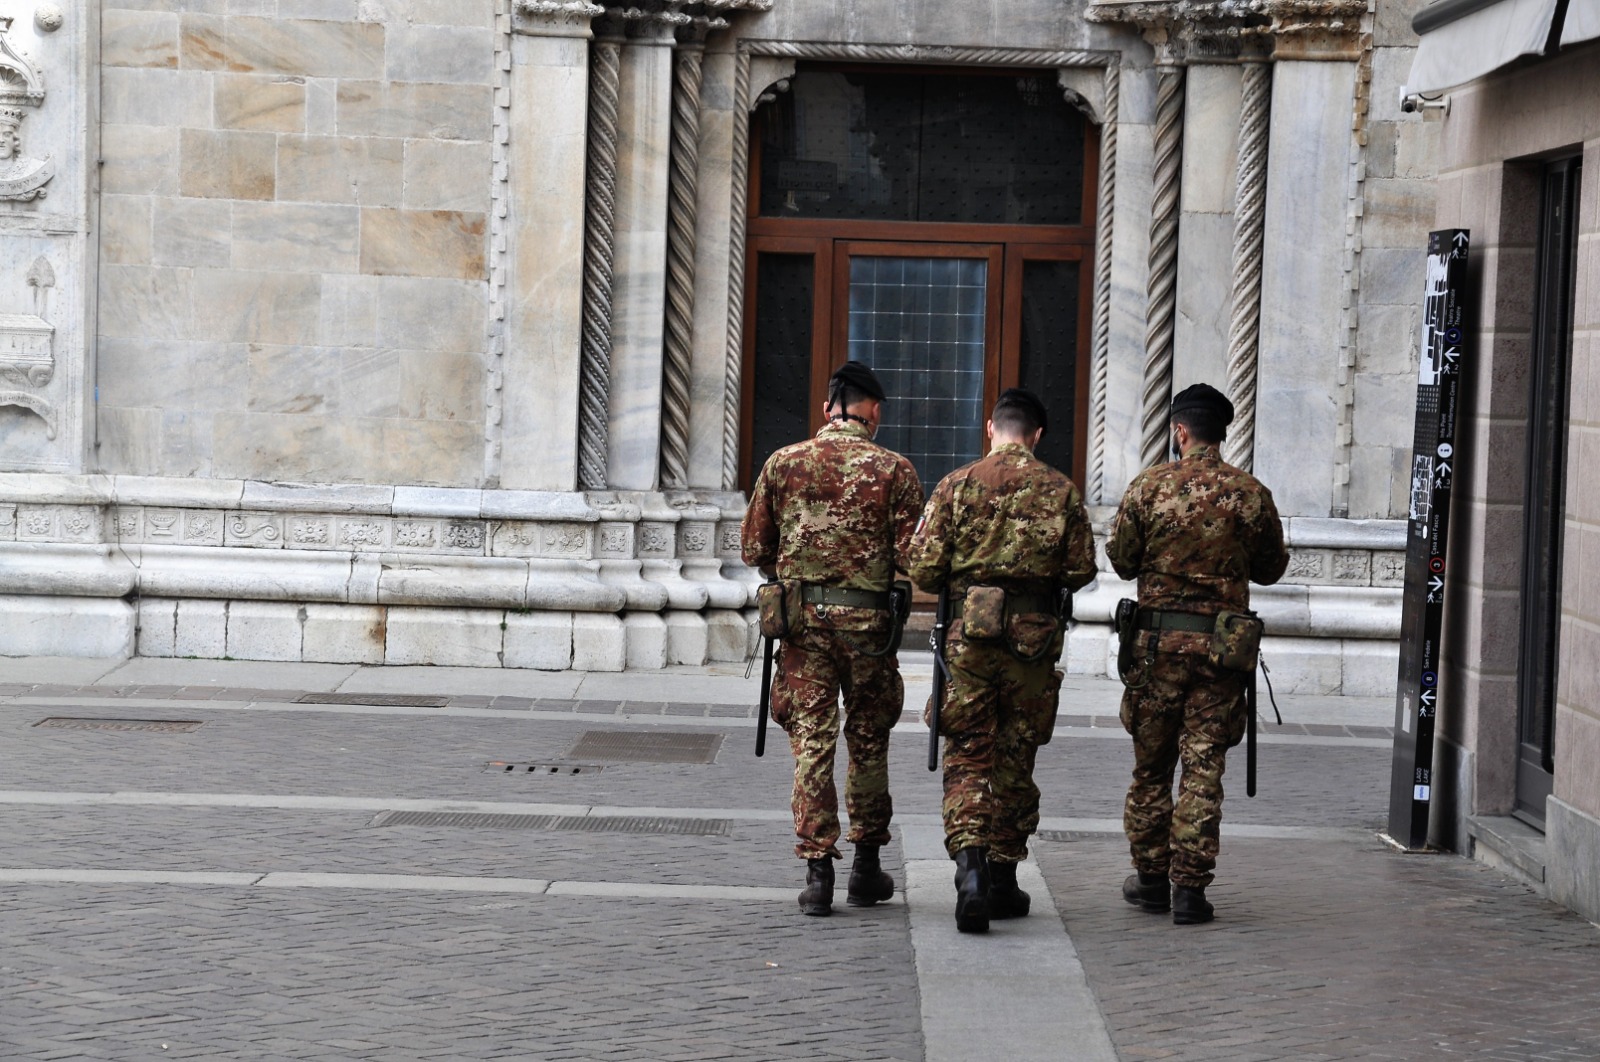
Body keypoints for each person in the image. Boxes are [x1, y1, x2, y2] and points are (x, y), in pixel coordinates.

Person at [908, 388, 1096, 934]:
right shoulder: (1060, 489)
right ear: (1036, 436)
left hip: (971, 640)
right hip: (1032, 647)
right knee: (1015, 756)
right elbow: (1082, 569)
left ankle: (969, 870)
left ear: (991, 429)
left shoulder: (958, 484)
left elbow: (922, 568)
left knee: (967, 752)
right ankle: (1004, 877)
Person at [741, 360, 925, 917]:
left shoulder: (783, 463)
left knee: (812, 745)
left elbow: (754, 551)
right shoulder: (895, 470)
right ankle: (866, 867)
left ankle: (818, 872)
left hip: (804, 630)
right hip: (870, 633)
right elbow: (912, 558)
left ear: (827, 410)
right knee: (868, 741)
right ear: (873, 410)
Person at [1106, 382, 1289, 925]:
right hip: (1220, 655)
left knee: (1151, 768)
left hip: (1156, 652)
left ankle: (1149, 878)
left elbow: (1120, 559)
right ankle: (1189, 889)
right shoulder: (1250, 493)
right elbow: (1271, 568)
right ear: (1221, 432)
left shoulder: (1148, 487)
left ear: (1179, 432)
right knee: (1204, 767)